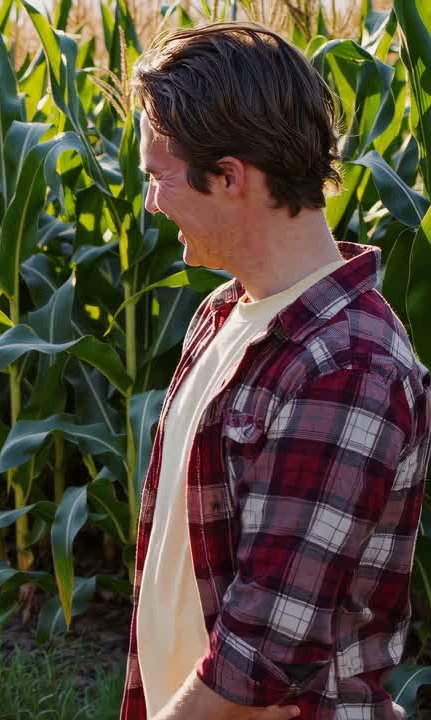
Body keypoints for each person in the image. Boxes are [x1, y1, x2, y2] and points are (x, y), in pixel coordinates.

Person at [122, 22, 431, 720]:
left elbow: (261, 657)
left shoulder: (347, 365)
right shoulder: (224, 313)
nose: (149, 201)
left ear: (231, 177)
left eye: (156, 176)